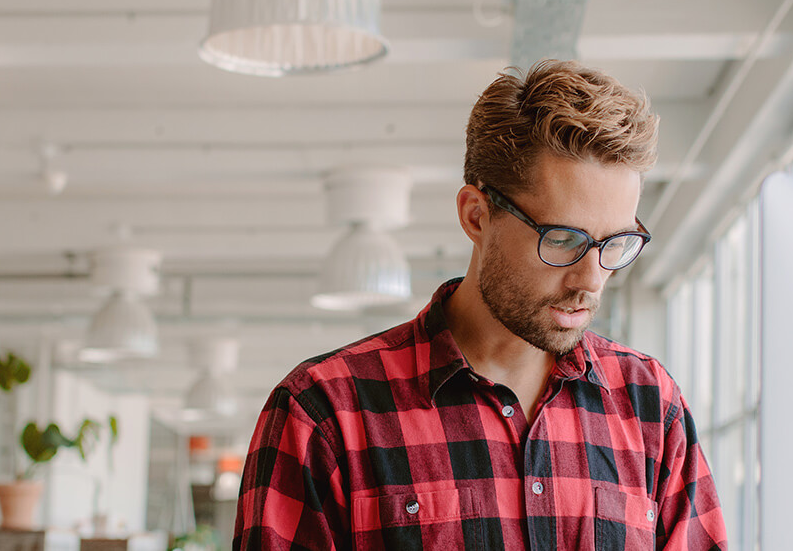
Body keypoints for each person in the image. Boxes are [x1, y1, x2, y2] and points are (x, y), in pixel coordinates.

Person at [233, 60, 728, 551]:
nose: (591, 280)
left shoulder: (650, 407)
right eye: (562, 240)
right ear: (476, 216)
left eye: (615, 243)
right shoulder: (323, 414)